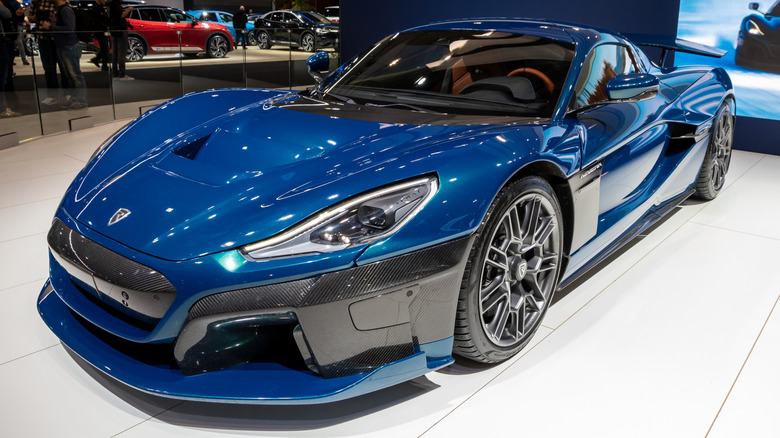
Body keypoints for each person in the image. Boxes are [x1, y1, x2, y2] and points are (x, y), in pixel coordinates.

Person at [40, 0, 86, 109]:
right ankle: (74, 99)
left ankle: (81, 101)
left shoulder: (65, 10)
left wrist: (51, 27)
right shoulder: (58, 10)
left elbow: (70, 28)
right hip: (62, 46)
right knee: (69, 75)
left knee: (75, 75)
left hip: (69, 46)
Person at [30, 0, 66, 106]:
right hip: (43, 38)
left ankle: (68, 93)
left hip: (58, 39)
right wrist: (36, 16)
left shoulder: (59, 2)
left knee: (64, 67)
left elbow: (67, 13)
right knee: (48, 68)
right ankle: (52, 95)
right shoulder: (36, 2)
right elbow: (30, 17)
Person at [109, 0, 132, 80]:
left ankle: (115, 73)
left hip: (115, 31)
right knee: (121, 53)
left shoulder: (111, 4)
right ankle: (122, 74)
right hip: (120, 31)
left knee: (115, 53)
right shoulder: (116, 4)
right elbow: (121, 16)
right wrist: (128, 10)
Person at [90, 0, 109, 71]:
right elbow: (96, 20)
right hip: (100, 30)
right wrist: (105, 26)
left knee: (105, 48)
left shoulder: (102, 8)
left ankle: (101, 61)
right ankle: (103, 64)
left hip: (102, 30)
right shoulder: (95, 8)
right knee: (104, 48)